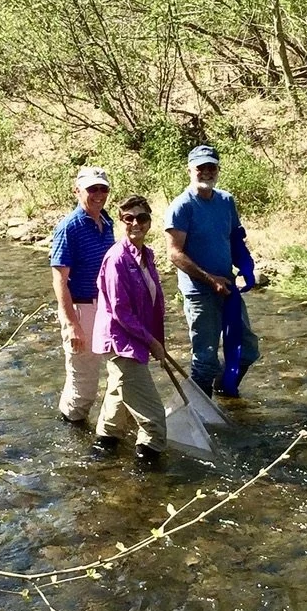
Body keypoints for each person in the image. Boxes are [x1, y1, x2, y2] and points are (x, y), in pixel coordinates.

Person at [164, 144, 260, 398]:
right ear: (189, 170)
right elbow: (174, 253)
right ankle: (202, 415)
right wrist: (209, 279)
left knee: (247, 350)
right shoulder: (182, 206)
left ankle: (225, 390)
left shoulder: (226, 201)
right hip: (199, 292)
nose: (206, 172)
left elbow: (235, 238)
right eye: (200, 167)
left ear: (217, 169)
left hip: (227, 288)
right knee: (205, 359)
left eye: (211, 167)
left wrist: (246, 266)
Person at [91, 196, 167, 462]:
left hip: (136, 339)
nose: (136, 223)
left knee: (117, 405)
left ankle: (102, 451)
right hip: (121, 342)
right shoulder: (116, 259)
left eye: (142, 218)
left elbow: (150, 304)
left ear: (149, 222)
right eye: (129, 218)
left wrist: (157, 339)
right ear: (121, 222)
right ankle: (146, 482)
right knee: (154, 421)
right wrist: (152, 342)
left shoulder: (146, 255)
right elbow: (121, 312)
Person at [49, 167, 115, 423]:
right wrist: (71, 324)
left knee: (120, 373)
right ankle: (73, 435)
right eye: (92, 189)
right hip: (82, 309)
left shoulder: (106, 221)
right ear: (77, 191)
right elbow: (59, 280)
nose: (98, 194)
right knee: (84, 386)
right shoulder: (69, 228)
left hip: (107, 308)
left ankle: (109, 430)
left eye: (103, 188)